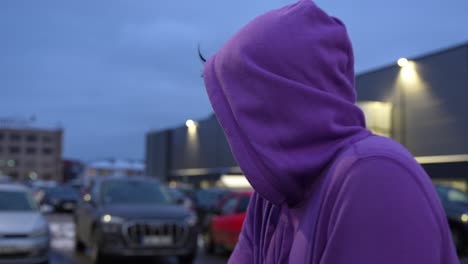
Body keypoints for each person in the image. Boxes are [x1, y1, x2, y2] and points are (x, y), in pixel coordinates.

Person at [201, 0, 459, 263]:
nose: (234, 134)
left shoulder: (375, 173)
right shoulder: (272, 198)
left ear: (278, 102)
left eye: (242, 111)